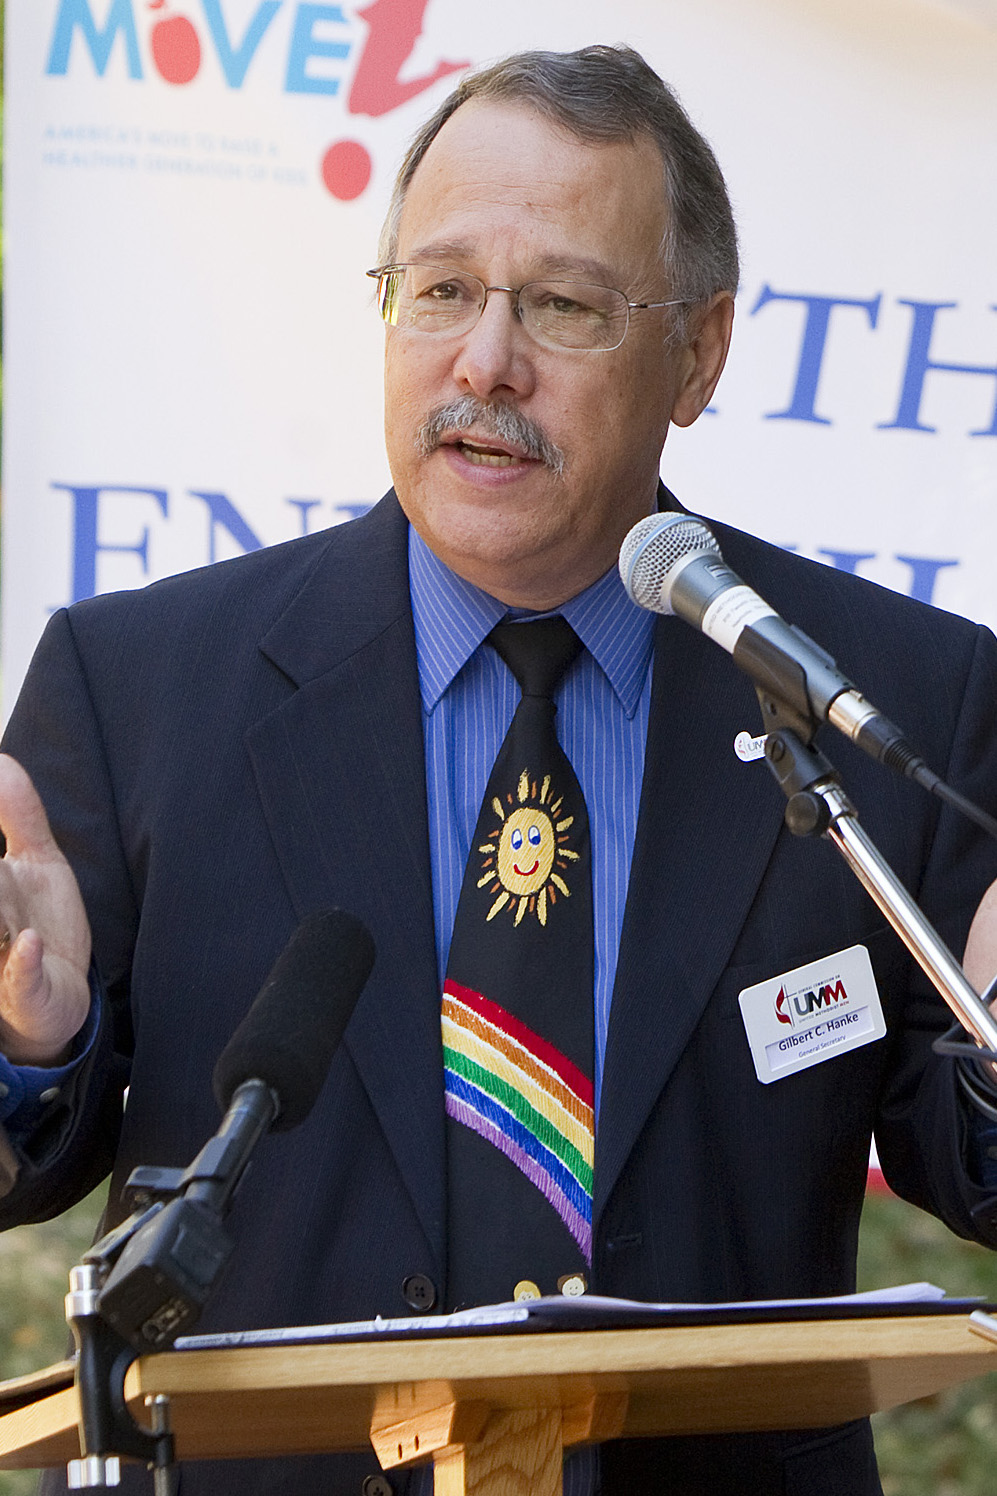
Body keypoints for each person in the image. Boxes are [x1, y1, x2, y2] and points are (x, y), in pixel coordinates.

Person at [2, 43, 997, 1496]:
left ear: (699, 354)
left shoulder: (882, 693)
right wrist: (31, 1050)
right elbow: (28, 1161)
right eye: (443, 289)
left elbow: (964, 1162)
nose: (483, 360)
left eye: (562, 305)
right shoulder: (143, 684)